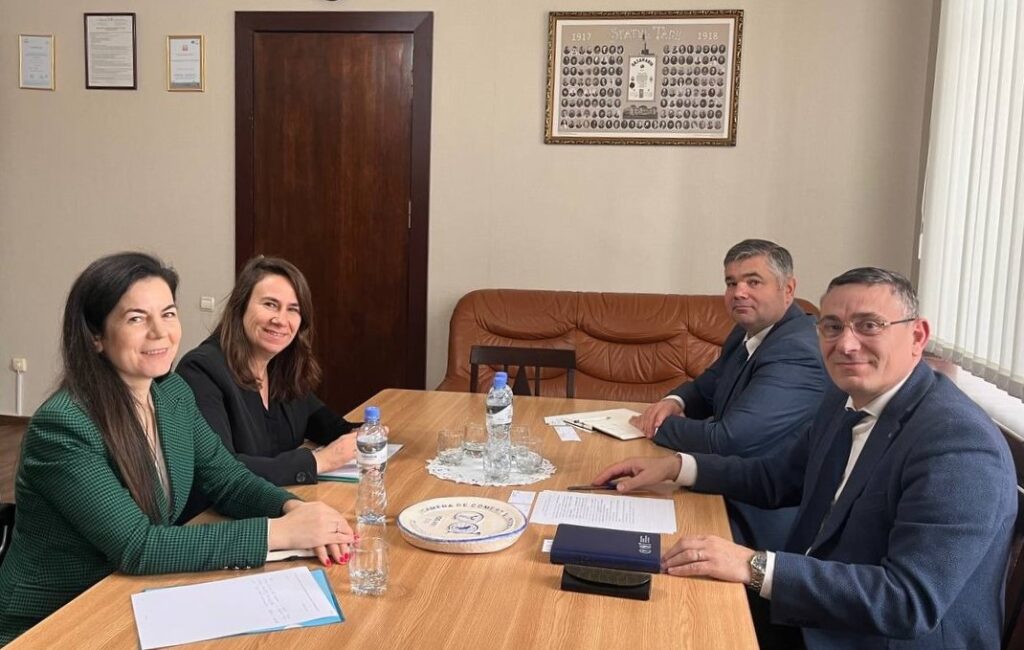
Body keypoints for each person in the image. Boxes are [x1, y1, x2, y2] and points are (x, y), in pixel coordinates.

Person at [594, 268, 1016, 649]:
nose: (847, 344)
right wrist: (679, 467)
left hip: (868, 638)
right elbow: (777, 477)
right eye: (832, 327)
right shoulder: (842, 399)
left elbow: (908, 601)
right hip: (812, 610)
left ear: (918, 336)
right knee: (631, 597)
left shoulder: (957, 444)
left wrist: (754, 565)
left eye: (869, 325)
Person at [0, 253, 354, 646]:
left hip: (133, 597)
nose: (160, 333)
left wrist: (294, 508)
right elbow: (137, 545)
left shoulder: (171, 393)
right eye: (136, 318)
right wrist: (281, 532)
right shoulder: (63, 425)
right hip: (56, 621)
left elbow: (228, 479)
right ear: (96, 335)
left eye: (168, 314)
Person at [631, 239, 826, 552]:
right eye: (731, 283)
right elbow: (707, 387)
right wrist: (673, 402)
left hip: (756, 515)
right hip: (720, 485)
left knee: (643, 540)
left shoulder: (796, 352)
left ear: (788, 289)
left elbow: (729, 440)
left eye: (753, 282)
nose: (739, 293)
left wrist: (655, 424)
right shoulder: (747, 332)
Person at [176, 257, 360, 520]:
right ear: (240, 307)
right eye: (270, 304)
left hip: (276, 506)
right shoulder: (201, 370)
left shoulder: (280, 365)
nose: (280, 319)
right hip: (216, 520)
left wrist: (364, 433)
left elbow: (322, 422)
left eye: (293, 309)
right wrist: (319, 461)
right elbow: (222, 470)